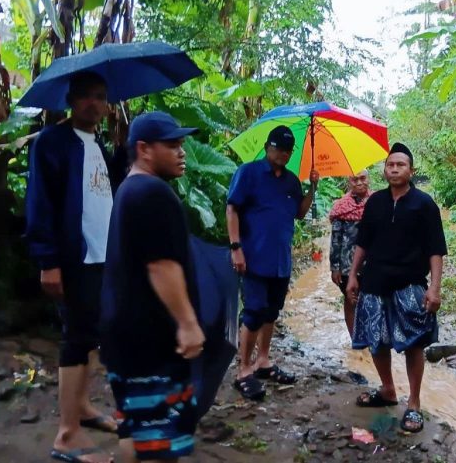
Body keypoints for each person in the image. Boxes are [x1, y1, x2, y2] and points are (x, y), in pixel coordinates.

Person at [25, 71, 126, 463]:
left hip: (101, 255)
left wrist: (122, 150)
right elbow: (40, 203)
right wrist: (48, 261)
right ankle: (66, 435)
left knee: (89, 335)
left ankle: (82, 408)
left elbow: (105, 190)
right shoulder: (52, 142)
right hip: (74, 258)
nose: (93, 103)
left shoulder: (97, 142)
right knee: (76, 337)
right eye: (85, 96)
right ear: (70, 99)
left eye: (100, 96)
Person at [100, 111, 205, 463]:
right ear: (144, 149)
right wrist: (187, 323)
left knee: (135, 426)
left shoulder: (129, 188)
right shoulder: (152, 193)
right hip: (149, 340)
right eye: (172, 145)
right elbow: (161, 265)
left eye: (181, 144)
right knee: (158, 439)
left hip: (123, 335)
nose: (182, 152)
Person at [346, 142, 447, 434]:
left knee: (414, 343)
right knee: (377, 340)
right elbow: (363, 243)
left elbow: (436, 250)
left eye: (400, 165)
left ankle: (414, 403)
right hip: (374, 282)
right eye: (390, 165)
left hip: (410, 284)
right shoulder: (375, 202)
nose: (394, 169)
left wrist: (435, 289)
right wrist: (353, 275)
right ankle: (388, 390)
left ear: (411, 171)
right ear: (384, 170)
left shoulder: (424, 204)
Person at [226, 125, 319, 400]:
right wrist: (236, 247)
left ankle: (263, 360)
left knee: (271, 311)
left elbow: (299, 213)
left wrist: (313, 188)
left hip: (280, 259)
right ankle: (243, 370)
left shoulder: (291, 181)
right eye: (279, 148)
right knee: (254, 312)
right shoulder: (249, 173)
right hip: (253, 256)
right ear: (268, 147)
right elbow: (232, 209)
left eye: (288, 150)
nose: (283, 154)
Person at [328, 170, 371, 337]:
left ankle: (369, 336)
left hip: (372, 264)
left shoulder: (377, 202)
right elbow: (336, 239)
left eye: (362, 178)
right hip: (347, 265)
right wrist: (335, 267)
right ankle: (355, 339)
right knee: (350, 300)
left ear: (368, 179)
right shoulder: (341, 207)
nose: (359, 183)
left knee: (370, 300)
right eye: (355, 180)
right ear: (349, 182)